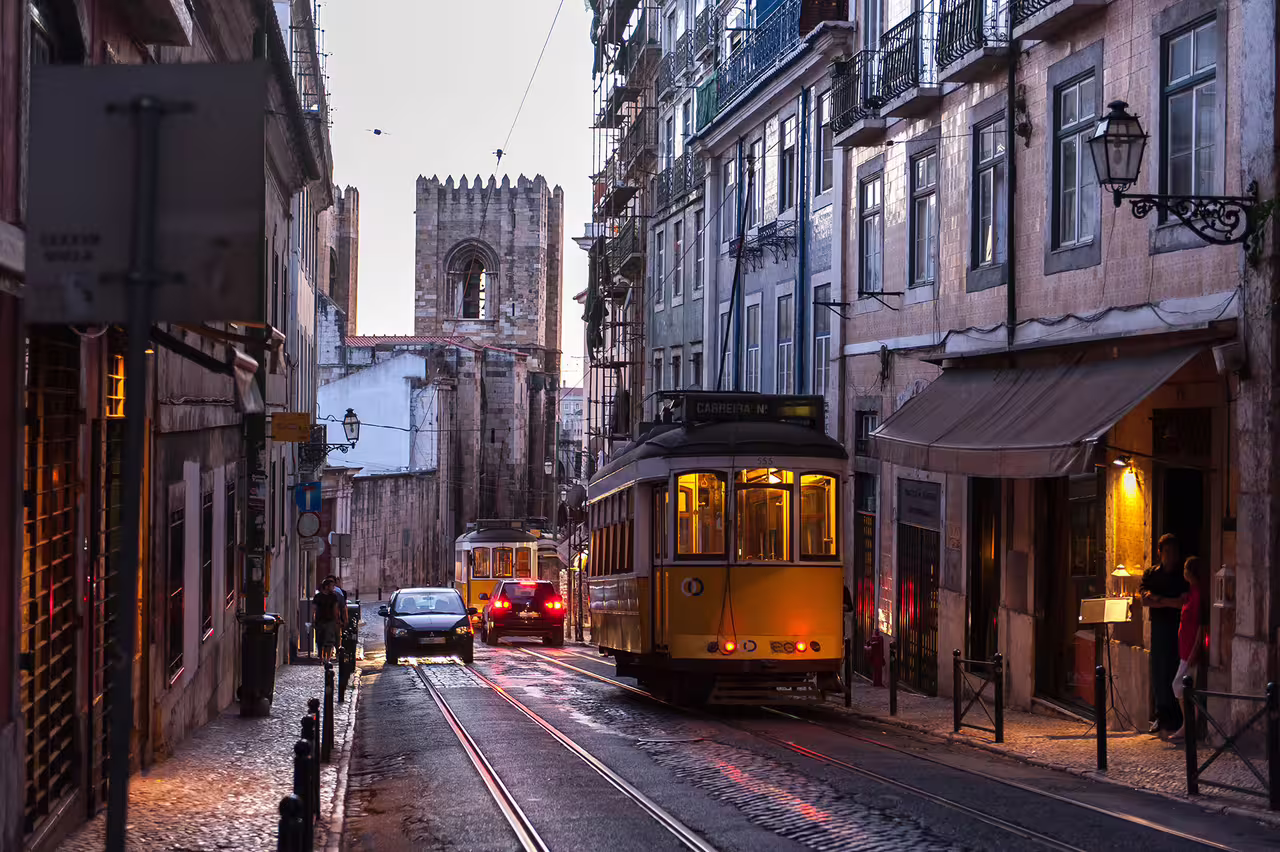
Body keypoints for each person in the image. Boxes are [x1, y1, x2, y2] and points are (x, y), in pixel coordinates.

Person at [1140, 533, 1191, 736]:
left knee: (1175, 671)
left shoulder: (1182, 576)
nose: (1171, 556)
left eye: (1174, 552)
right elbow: (1144, 600)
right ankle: (1162, 716)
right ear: (1160, 553)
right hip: (1159, 628)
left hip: (1178, 628)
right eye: (1167, 552)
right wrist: (1170, 601)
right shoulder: (1152, 574)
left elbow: (1182, 603)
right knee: (1159, 671)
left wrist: (1159, 599)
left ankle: (1178, 718)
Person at [1169, 557, 1205, 740]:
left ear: (1191, 572)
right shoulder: (1191, 593)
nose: (1183, 571)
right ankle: (1190, 724)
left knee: (1180, 685)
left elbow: (1200, 626)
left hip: (1190, 649)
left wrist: (1195, 650)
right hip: (1184, 647)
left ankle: (1188, 724)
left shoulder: (1198, 595)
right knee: (1185, 687)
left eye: (1185, 568)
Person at [312, 577, 343, 662]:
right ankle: (322, 658)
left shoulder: (334, 597)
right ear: (326, 587)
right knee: (320, 640)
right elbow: (314, 609)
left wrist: (337, 620)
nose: (333, 588)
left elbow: (336, 609)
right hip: (320, 621)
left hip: (330, 620)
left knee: (329, 640)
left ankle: (328, 658)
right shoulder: (318, 597)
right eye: (332, 586)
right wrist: (313, 620)